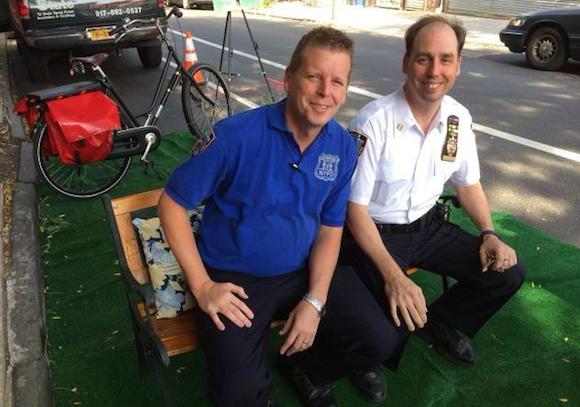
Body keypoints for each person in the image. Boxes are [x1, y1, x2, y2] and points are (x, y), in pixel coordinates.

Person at [158, 27, 401, 407]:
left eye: (337, 81)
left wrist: (315, 302)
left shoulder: (341, 146)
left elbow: (330, 229)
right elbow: (172, 203)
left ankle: (308, 370)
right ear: (288, 79)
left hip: (302, 268)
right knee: (238, 393)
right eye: (313, 76)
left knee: (380, 340)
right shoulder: (236, 137)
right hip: (236, 280)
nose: (325, 91)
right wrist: (203, 286)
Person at [342, 16, 525, 368]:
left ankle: (441, 322)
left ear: (457, 65)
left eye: (445, 59)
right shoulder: (373, 122)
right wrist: (392, 276)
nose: (434, 70)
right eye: (424, 58)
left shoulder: (457, 119)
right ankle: (361, 359)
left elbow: (467, 183)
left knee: (507, 273)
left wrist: (489, 233)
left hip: (429, 228)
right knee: (389, 331)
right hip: (376, 235)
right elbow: (355, 208)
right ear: (406, 62)